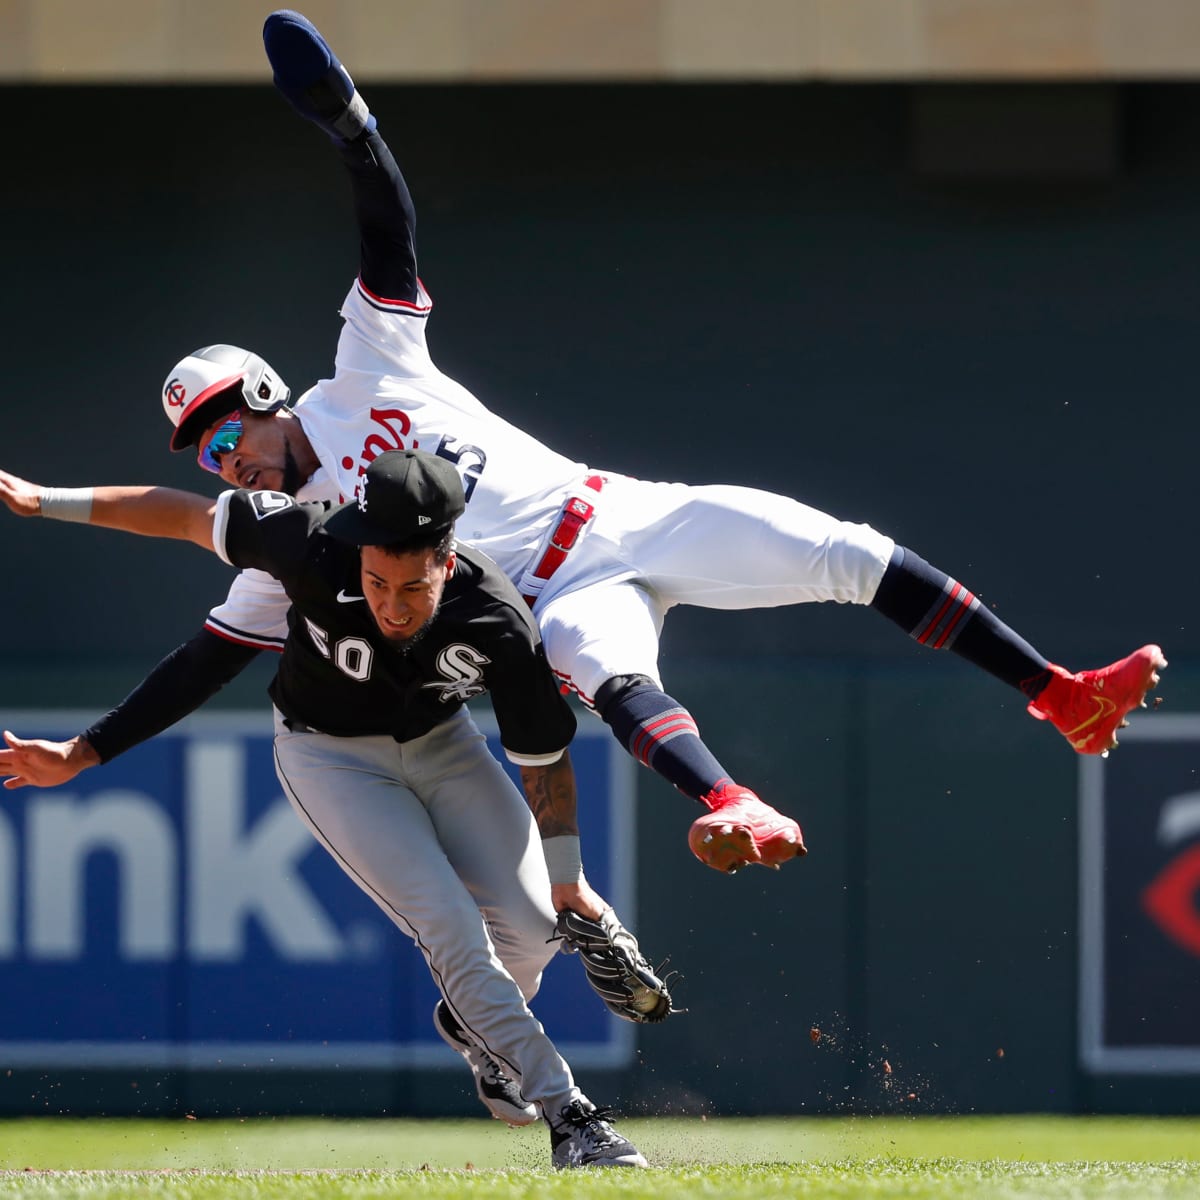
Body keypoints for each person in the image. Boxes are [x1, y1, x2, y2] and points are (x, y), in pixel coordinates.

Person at [27, 10, 1167, 879]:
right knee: (600, 664)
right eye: (203, 454)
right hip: (554, 589)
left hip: (623, 509)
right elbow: (203, 661)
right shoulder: (307, 548)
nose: (224, 459)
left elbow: (387, 227)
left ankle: (1057, 692)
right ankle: (732, 802)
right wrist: (88, 754)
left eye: (226, 428)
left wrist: (351, 125)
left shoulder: (361, 377)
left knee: (845, 551)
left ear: (267, 396)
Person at [0, 451, 648, 1170]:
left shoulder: (494, 614)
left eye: (413, 585)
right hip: (329, 757)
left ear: (448, 555)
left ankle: (477, 1030)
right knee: (452, 929)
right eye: (376, 580)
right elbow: (182, 515)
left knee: (532, 930)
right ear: (359, 541)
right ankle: (574, 1116)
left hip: (444, 746)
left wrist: (568, 878)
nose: (392, 605)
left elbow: (545, 762)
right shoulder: (308, 540)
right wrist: (49, 499)